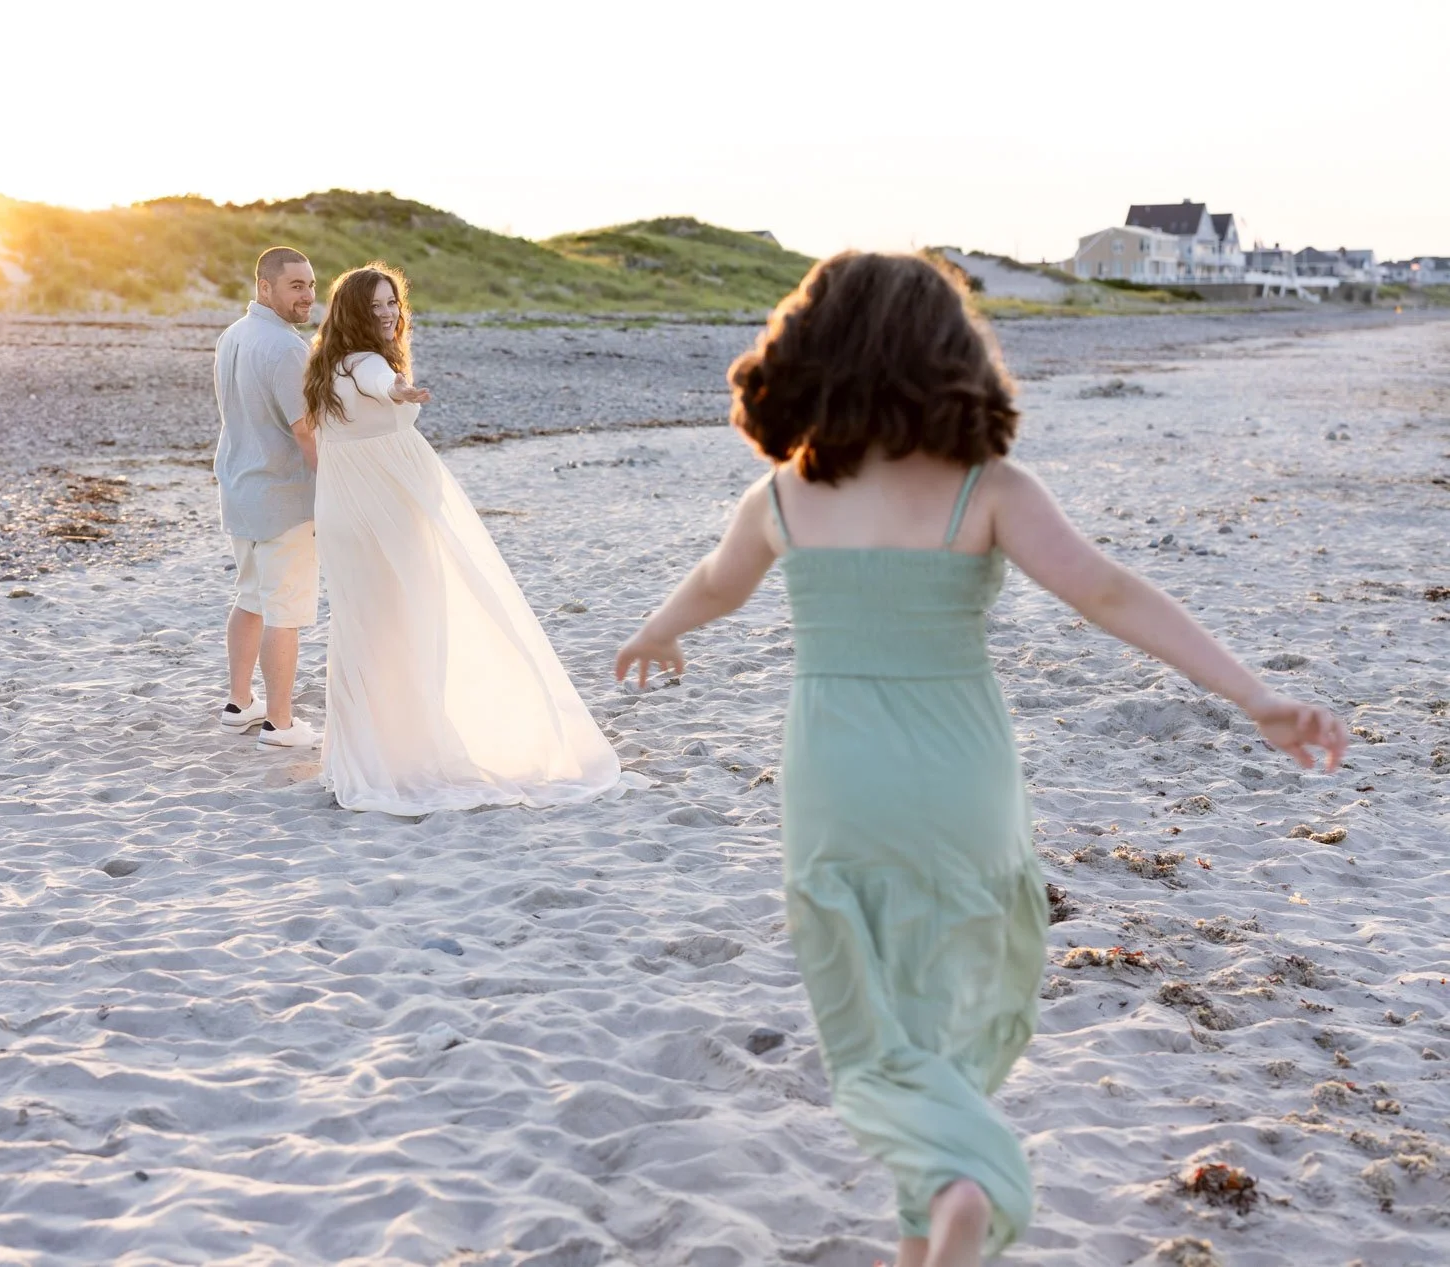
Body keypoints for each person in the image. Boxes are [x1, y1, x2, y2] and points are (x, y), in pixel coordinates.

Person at [613, 251, 1348, 1267]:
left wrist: (655, 633)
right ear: (950, 356)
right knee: (960, 981)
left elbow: (713, 584)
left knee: (865, 993)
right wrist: (1256, 696)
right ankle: (951, 1203)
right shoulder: (989, 488)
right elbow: (1109, 594)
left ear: (810, 355)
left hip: (838, 774)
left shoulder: (785, 497)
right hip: (960, 771)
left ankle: (947, 1196)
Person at [303, 262, 620, 814]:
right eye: (374, 305)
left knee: (363, 631)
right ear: (353, 311)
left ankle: (364, 756)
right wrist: (401, 389)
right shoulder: (369, 366)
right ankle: (395, 755)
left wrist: (397, 388)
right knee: (408, 626)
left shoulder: (327, 364)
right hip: (384, 514)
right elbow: (386, 384)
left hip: (348, 512)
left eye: (392, 303)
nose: (387, 313)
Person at [212, 246, 322, 749]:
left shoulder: (233, 335)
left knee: (251, 596)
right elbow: (305, 433)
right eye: (295, 285)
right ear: (265, 287)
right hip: (283, 497)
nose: (307, 295)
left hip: (240, 489)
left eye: (312, 285)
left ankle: (239, 704)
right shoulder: (286, 349)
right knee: (285, 610)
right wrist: (332, 488)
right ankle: (279, 723)